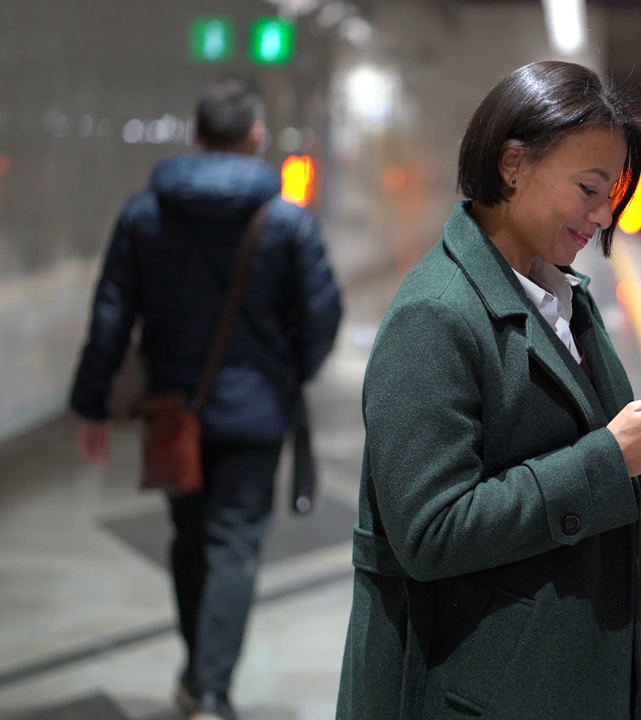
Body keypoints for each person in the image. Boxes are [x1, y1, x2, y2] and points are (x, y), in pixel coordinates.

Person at [336, 60, 641, 719]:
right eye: (589, 188)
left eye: (614, 195)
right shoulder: (435, 317)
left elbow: (579, 449)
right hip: (475, 691)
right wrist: (613, 457)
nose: (604, 215)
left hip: (547, 678)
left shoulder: (563, 296)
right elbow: (432, 532)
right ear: (513, 163)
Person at [69, 78, 343, 720]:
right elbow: (323, 313)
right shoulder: (286, 221)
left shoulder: (144, 215)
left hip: (174, 413)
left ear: (195, 136)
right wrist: (289, 370)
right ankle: (210, 690)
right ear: (255, 137)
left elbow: (111, 315)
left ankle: (198, 678)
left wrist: (91, 404)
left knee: (188, 540)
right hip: (254, 415)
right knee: (233, 546)